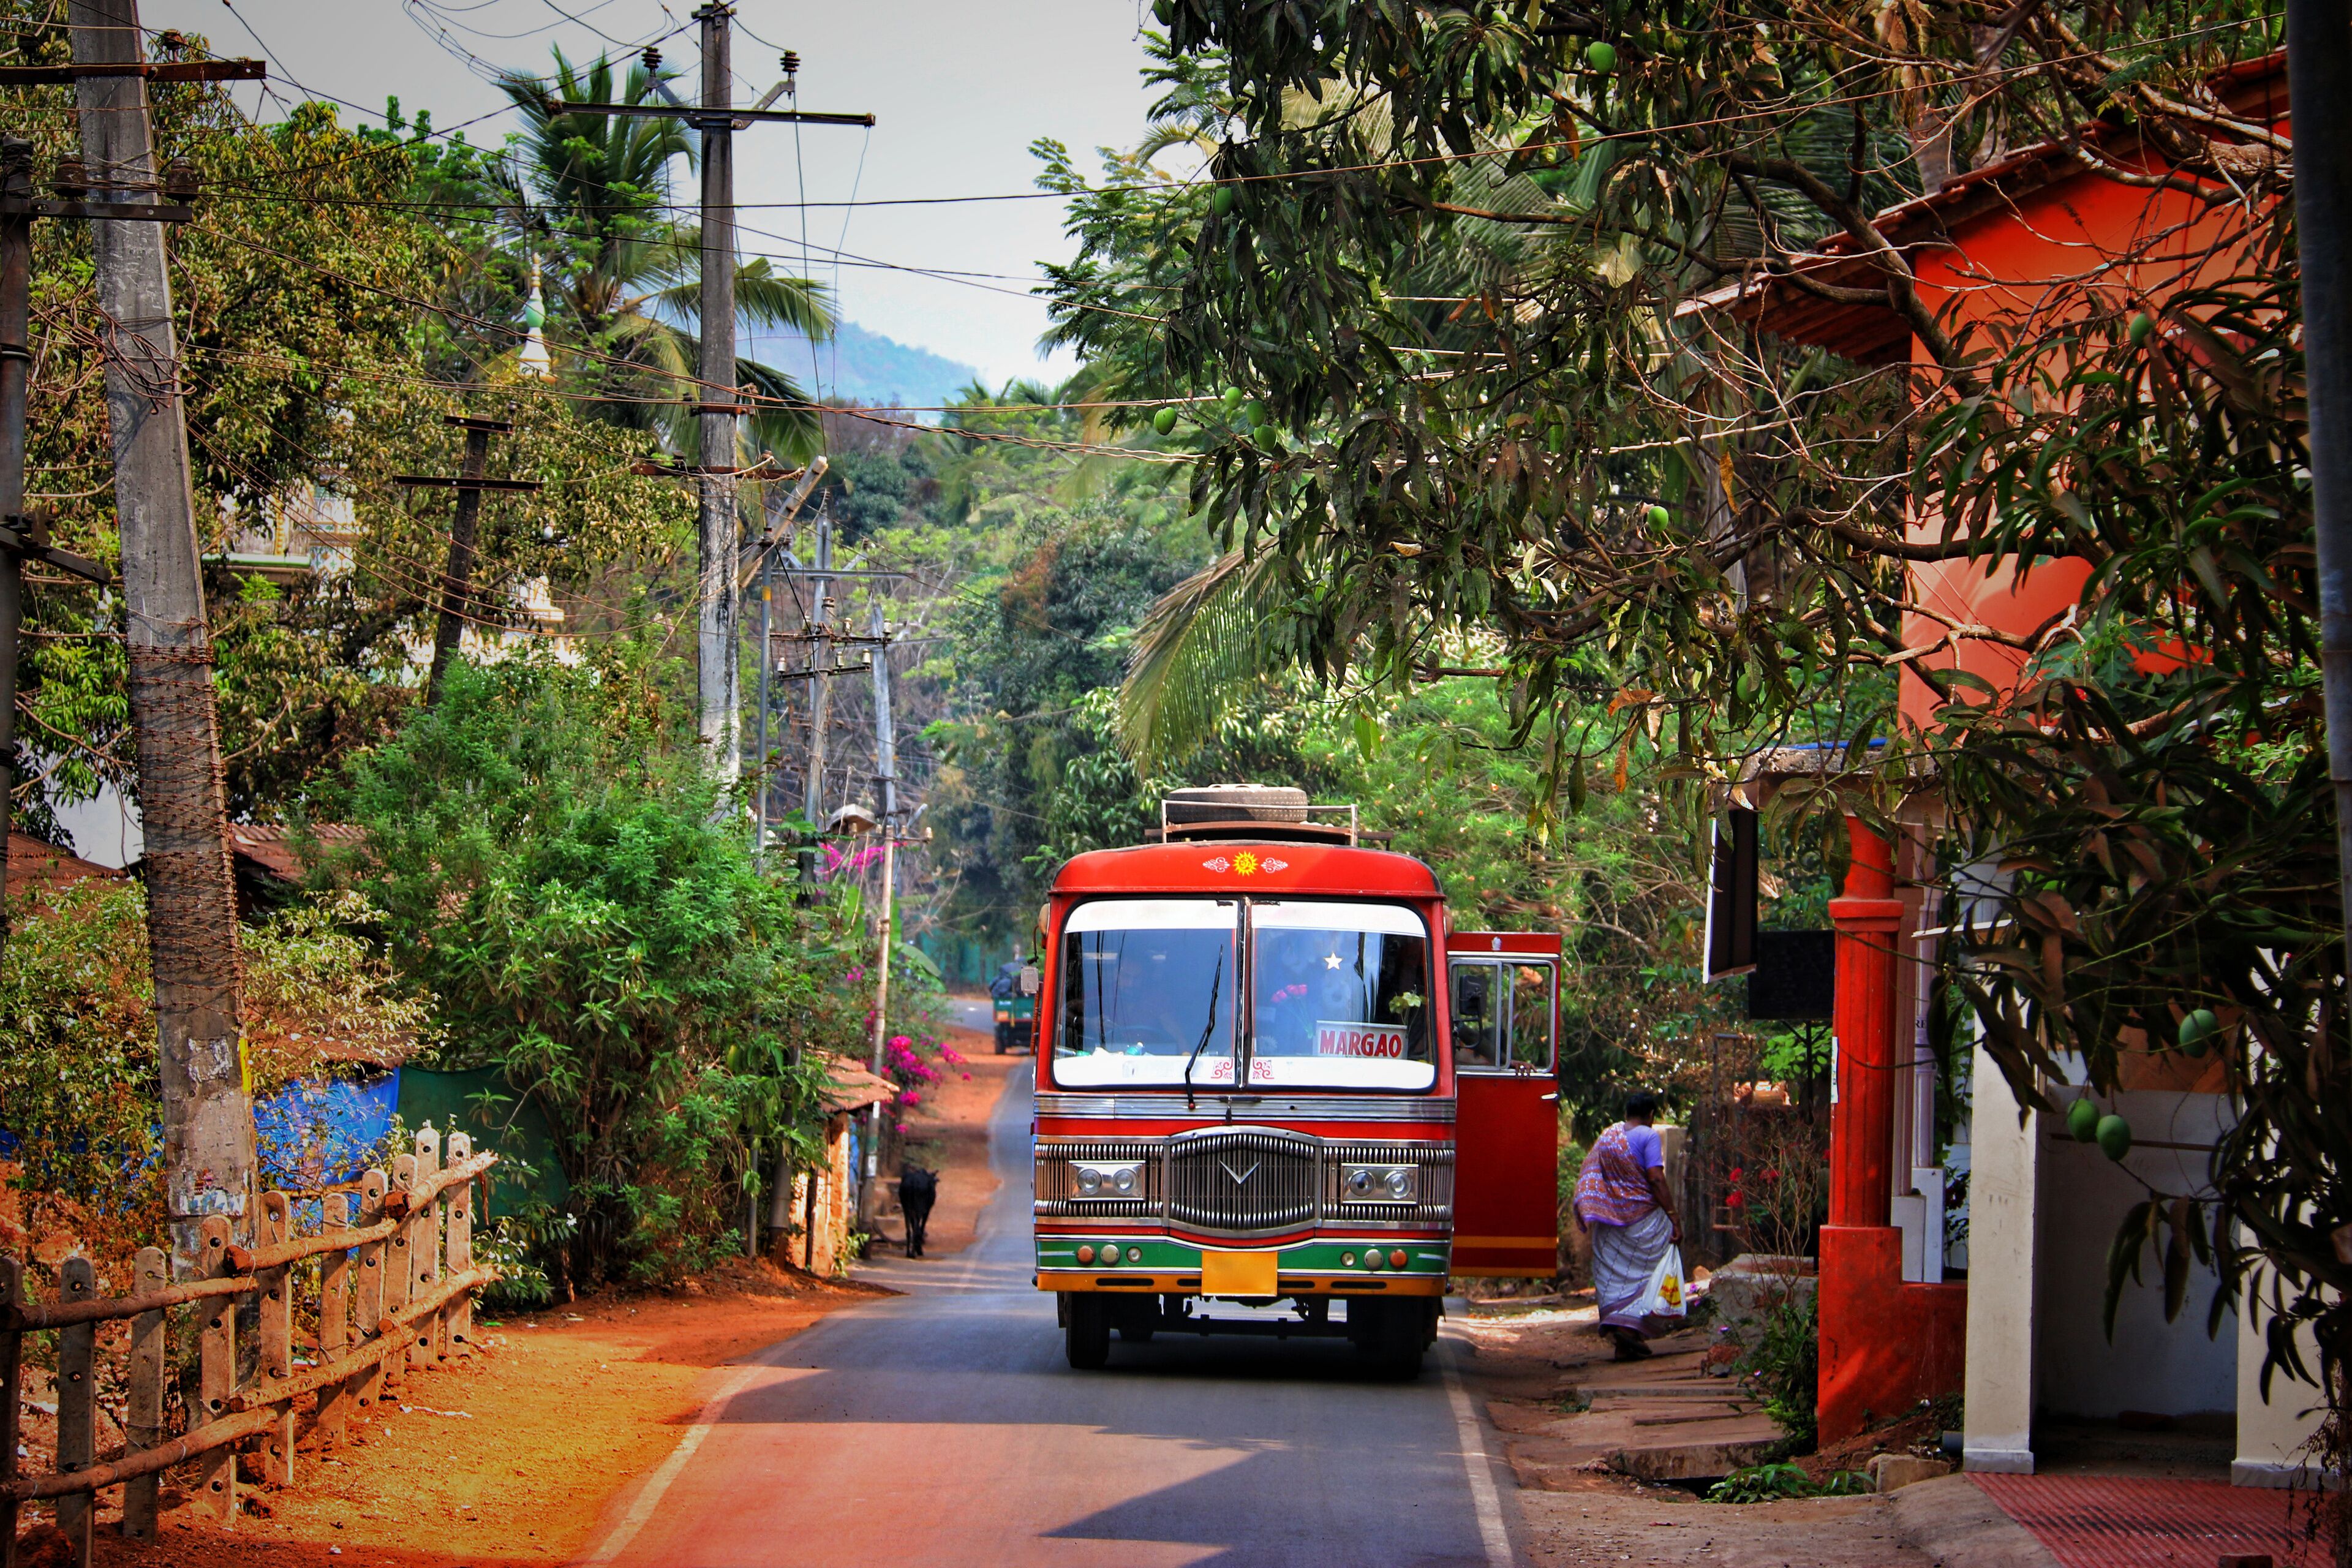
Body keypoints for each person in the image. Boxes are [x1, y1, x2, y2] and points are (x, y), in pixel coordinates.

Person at [1572, 1091, 1683, 1360]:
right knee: (1657, 1265)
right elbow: (1656, 1179)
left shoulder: (1608, 1136)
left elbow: (1589, 1172)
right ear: (1651, 1116)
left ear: (1626, 1114)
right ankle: (1630, 1330)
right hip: (1643, 1221)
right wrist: (1674, 1216)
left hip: (1610, 1224)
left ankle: (1624, 1340)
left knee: (1618, 1277)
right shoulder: (1647, 1136)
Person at [900, 1164, 938, 1258]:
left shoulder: (907, 1179)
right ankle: (916, 1248)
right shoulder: (928, 1182)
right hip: (921, 1199)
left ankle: (909, 1250)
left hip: (907, 1196)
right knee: (918, 1221)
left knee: (909, 1219)